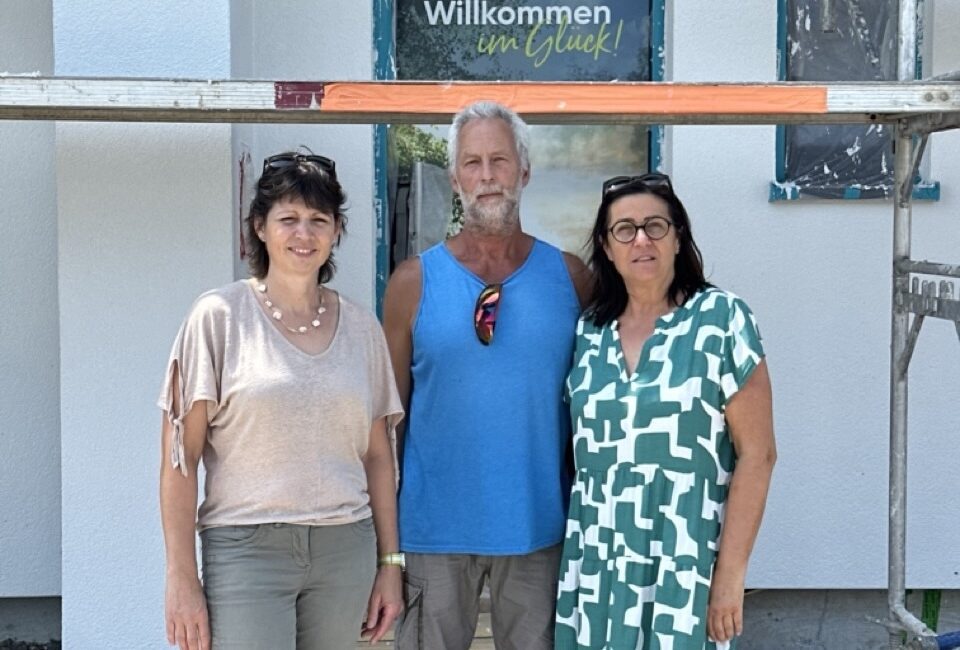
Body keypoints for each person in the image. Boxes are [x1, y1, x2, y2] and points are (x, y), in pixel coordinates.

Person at [159, 152, 404, 650]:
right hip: (246, 550)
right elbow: (179, 460)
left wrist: (390, 563)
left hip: (345, 547)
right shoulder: (218, 317)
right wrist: (180, 577)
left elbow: (379, 457)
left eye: (318, 219)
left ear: (337, 230)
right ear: (260, 227)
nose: (303, 233)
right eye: (288, 218)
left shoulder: (362, 328)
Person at [382, 100, 591, 650]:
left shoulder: (571, 279)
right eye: (472, 163)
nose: (487, 176)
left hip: (539, 527)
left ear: (524, 171)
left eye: (500, 160)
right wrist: (387, 550)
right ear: (455, 179)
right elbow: (388, 425)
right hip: (433, 533)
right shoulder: (411, 283)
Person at [555, 173, 777, 650]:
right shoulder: (589, 332)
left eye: (655, 226)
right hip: (597, 568)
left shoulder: (722, 319)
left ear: (678, 238)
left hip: (685, 563)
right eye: (624, 229)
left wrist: (730, 577)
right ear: (606, 247)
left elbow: (758, 456)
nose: (641, 240)